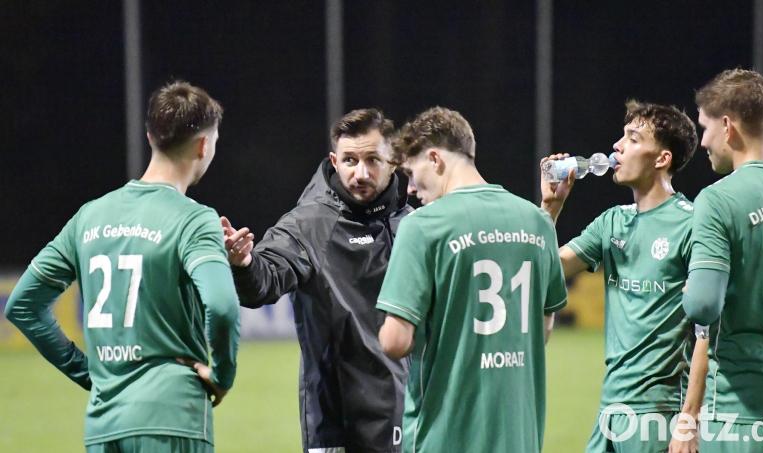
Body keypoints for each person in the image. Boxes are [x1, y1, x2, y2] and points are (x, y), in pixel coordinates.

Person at [4, 81, 240, 453]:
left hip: (104, 422)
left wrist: (88, 372)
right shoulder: (195, 220)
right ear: (203, 145)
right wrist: (223, 375)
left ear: (150, 137)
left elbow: (22, 306)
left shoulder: (89, 217)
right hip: (172, 416)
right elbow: (223, 308)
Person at [375, 106, 567, 452]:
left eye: (410, 171)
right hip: (519, 437)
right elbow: (544, 328)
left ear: (434, 159)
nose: (410, 189)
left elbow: (395, 341)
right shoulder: (536, 220)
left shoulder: (422, 226)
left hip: (445, 436)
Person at [222, 108, 411, 453]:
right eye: (350, 160)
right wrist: (244, 263)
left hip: (411, 410)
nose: (361, 172)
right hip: (335, 420)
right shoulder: (308, 225)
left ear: (394, 161)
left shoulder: (414, 226)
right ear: (334, 161)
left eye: (372, 160)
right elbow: (264, 280)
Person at [540, 101, 708, 453]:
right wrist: (550, 210)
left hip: (659, 411)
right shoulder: (612, 221)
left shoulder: (692, 224)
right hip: (611, 407)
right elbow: (544, 272)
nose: (616, 146)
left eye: (632, 139)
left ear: (661, 159)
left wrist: (689, 419)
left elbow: (709, 328)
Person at [683, 69, 763, 452]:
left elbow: (703, 305)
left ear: (727, 126)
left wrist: (689, 286)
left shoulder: (719, 200)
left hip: (748, 414)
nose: (703, 141)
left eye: (705, 128)